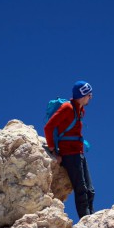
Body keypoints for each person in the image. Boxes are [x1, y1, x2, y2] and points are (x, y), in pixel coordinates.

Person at [44, 80, 95, 218]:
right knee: (81, 190)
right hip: (70, 154)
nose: (91, 97)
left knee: (90, 190)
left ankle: (92, 218)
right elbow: (49, 127)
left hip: (79, 153)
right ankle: (86, 220)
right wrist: (54, 150)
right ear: (83, 95)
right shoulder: (67, 108)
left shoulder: (80, 110)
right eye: (89, 95)